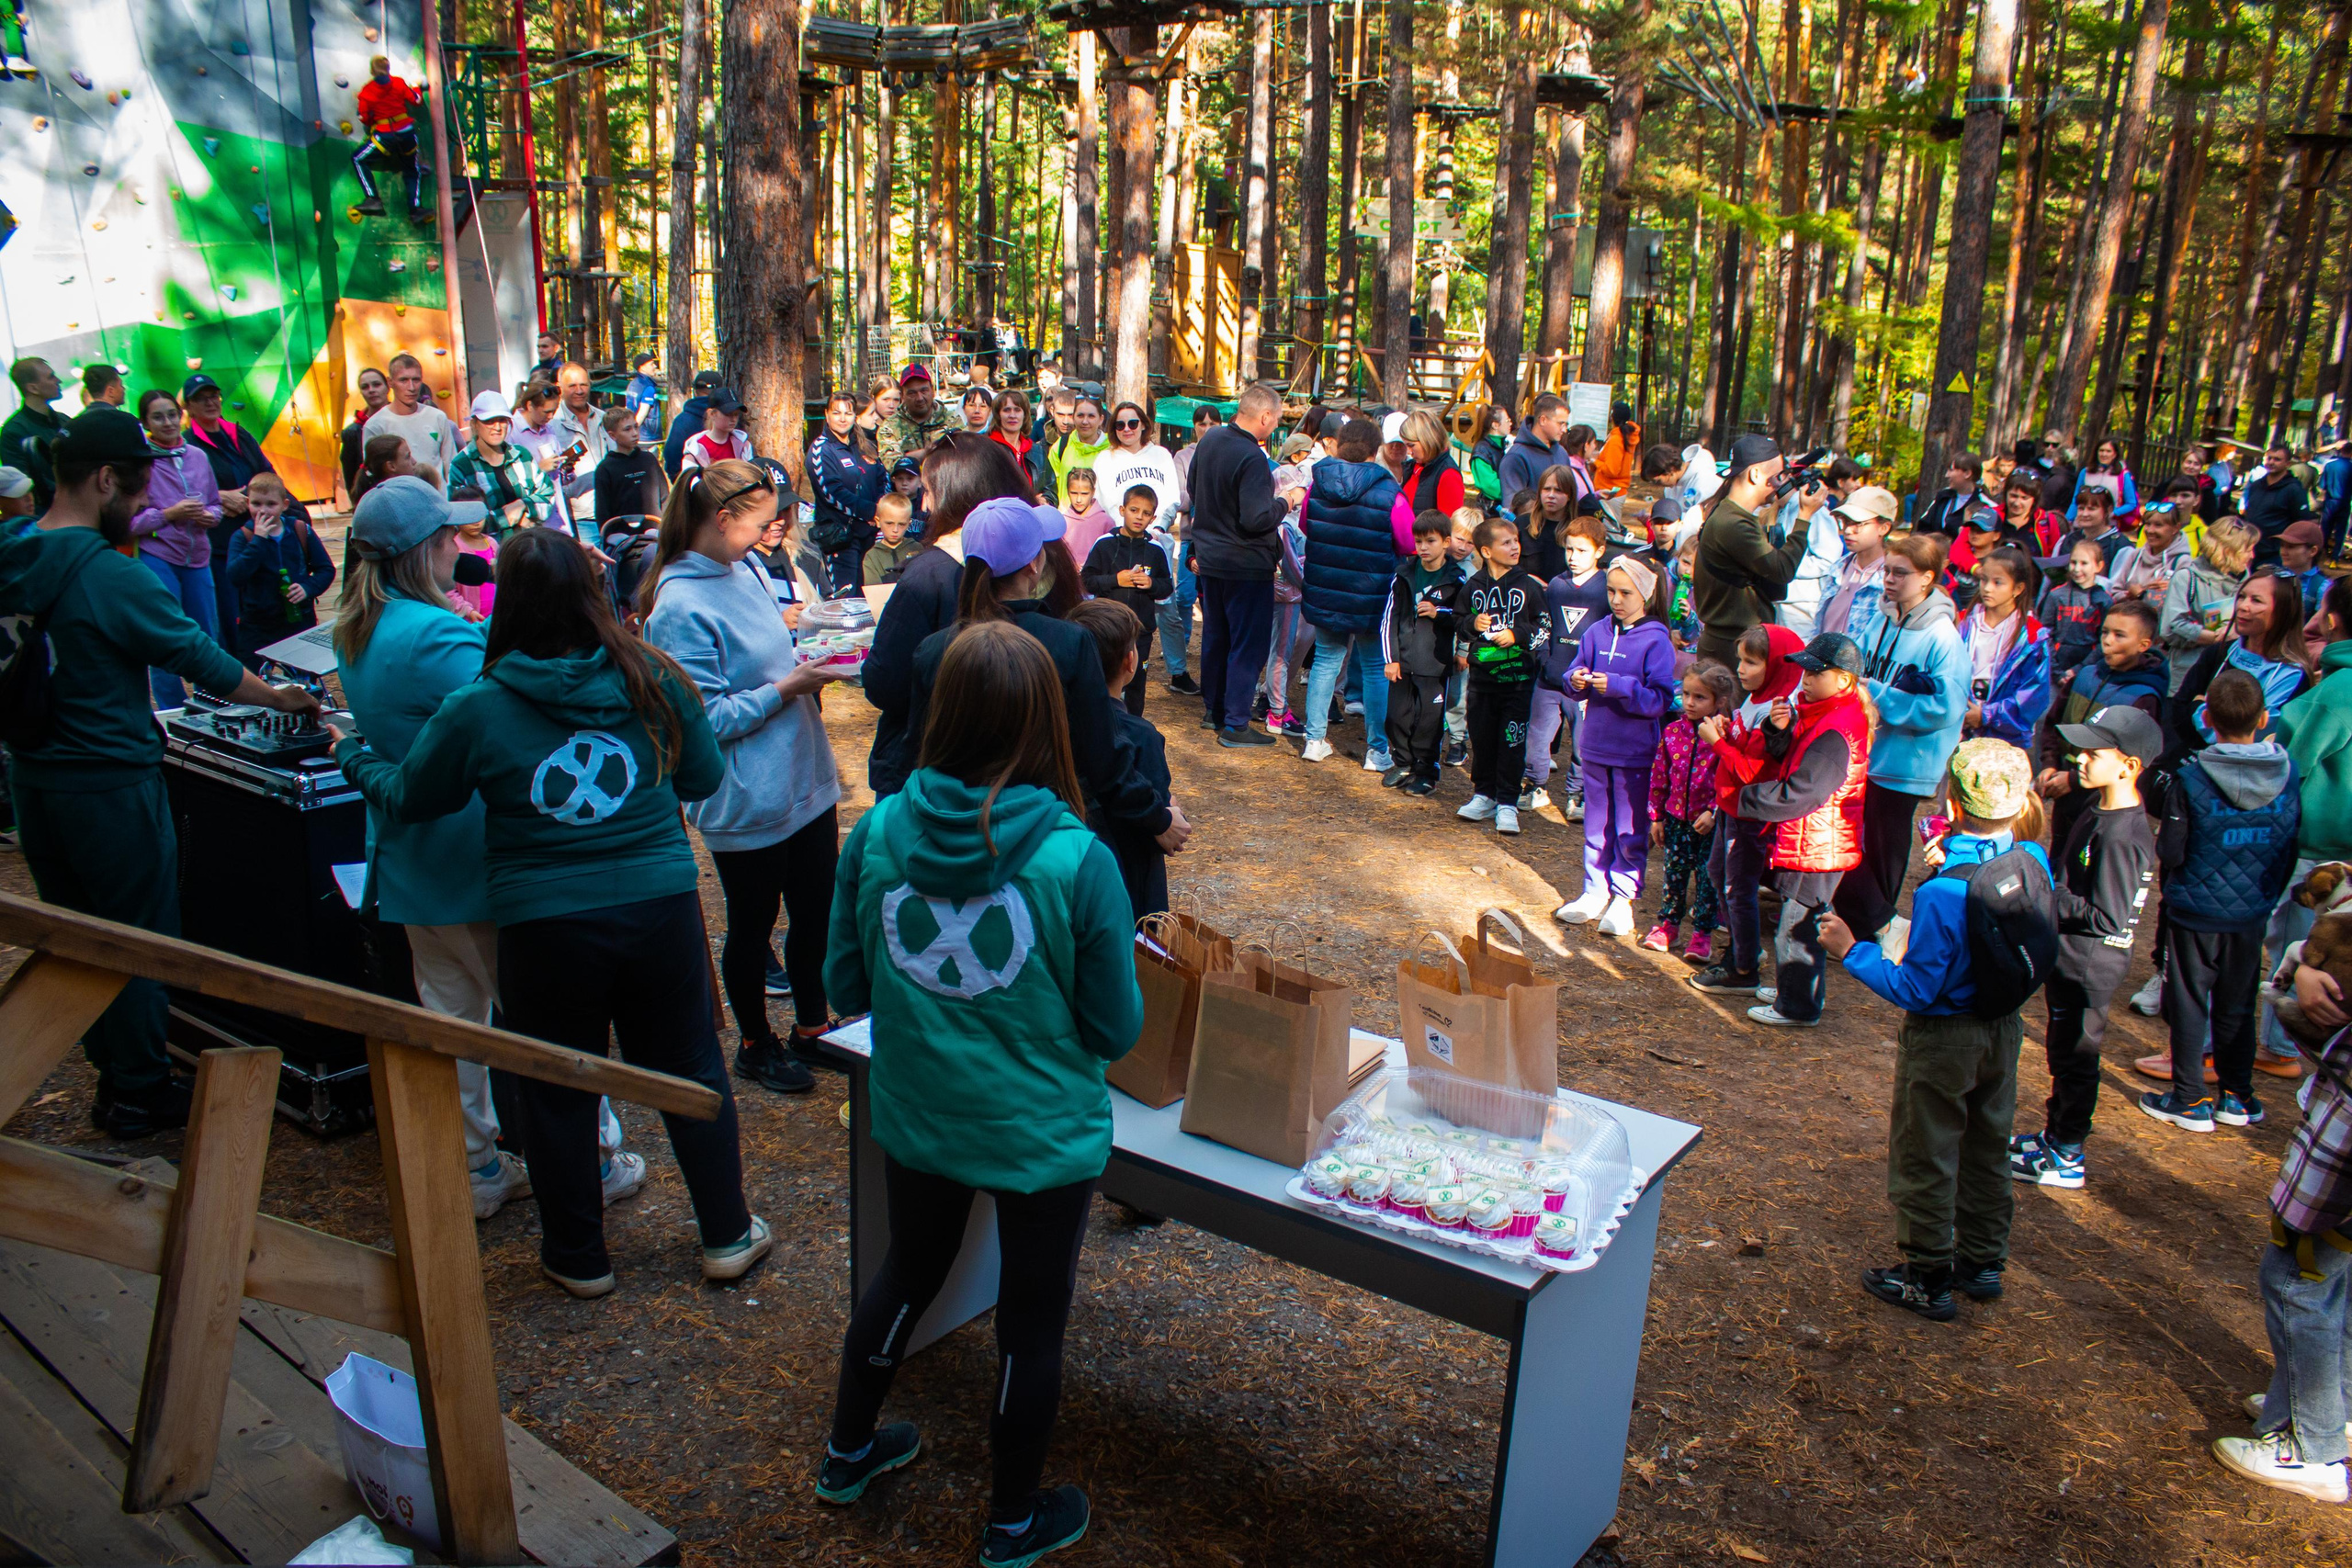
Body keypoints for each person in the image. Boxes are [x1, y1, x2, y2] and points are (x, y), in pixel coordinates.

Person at [331, 527, 770, 1297]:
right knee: (691, 1064)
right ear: (591, 595)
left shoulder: (480, 704)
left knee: (556, 1081)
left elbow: (411, 795)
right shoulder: (653, 677)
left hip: (542, 924)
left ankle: (578, 1255)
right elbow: (701, 770)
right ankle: (727, 1233)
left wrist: (353, 752)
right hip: (657, 907)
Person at [817, 620, 1142, 1565]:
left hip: (919, 1111)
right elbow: (1114, 1030)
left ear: (939, 712)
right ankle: (1009, 1521)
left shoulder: (876, 832)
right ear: (1048, 721)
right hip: (1042, 1131)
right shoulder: (1079, 859)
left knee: (907, 1274)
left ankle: (846, 1451)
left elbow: (844, 987)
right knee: (1031, 1318)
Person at [0, 406, 322, 1137]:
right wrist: (278, 695)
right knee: (137, 939)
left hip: (35, 780)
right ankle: (139, 1087)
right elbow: (199, 657)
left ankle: (113, 1071)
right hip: (107, 783)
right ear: (105, 478)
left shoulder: (14, 546)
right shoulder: (105, 575)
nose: (144, 505)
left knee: (73, 937)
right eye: (138, 488)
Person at [331, 475, 627, 1217]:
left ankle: (478, 1166)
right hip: (477, 859)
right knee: (541, 1018)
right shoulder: (436, 634)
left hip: (412, 860)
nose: (460, 546)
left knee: (454, 1024)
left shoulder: (362, 627)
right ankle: (596, 1156)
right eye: (450, 537)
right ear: (421, 548)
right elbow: (509, 711)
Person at [641, 457, 856, 1096]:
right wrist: (788, 687)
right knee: (754, 923)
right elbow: (700, 721)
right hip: (748, 797)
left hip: (802, 778)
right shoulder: (677, 605)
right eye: (765, 521)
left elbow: (775, 654)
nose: (777, 532)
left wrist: (814, 656)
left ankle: (813, 1027)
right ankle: (757, 1042)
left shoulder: (749, 566)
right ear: (723, 518)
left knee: (816, 910)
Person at [1821, 739, 2047, 1320]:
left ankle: (1927, 1275)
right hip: (2004, 1028)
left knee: (1926, 1150)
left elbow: (1917, 988)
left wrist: (1853, 953)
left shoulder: (1944, 893)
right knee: (1987, 1144)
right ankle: (1983, 1261)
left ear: (1951, 796)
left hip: (1945, 1038)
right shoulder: (2033, 860)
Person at [903, 497, 1186, 861]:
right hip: (1044, 836)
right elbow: (1101, 754)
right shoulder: (1068, 642)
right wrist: (1156, 817)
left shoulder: (932, 650)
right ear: (1036, 565)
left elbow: (916, 752)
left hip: (951, 834)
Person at [2003, 702, 2161, 1195]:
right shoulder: (2099, 811)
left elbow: (2107, 916)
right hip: (2071, 961)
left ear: (2130, 765)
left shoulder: (2122, 835)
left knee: (2076, 1057)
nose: (2080, 760)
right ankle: (2053, 1137)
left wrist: (2047, 894)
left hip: (2090, 966)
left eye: (2094, 752)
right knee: (2062, 1052)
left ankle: (2067, 1153)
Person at [2139, 668, 2301, 1135]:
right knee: (2237, 1001)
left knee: (2190, 1001)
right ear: (2266, 718)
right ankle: (2238, 1094)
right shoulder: (2288, 776)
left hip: (2194, 912)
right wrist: (2265, 897)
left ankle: (2189, 1098)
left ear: (2205, 716)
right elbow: (2290, 845)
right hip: (2250, 911)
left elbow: (2171, 850)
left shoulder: (2190, 779)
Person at [2214, 956, 2352, 1504]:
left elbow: (2323, 1034)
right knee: (2338, 1282)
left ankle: (2308, 1446)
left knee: (2297, 1279)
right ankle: (2329, 1410)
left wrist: (2303, 970)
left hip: (2342, 1147)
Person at [1739, 633, 1874, 1028]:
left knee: (1798, 929)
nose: (1806, 679)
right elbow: (1795, 760)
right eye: (1806, 670)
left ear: (1844, 681)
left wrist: (1746, 798)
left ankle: (1797, 1006)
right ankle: (1796, 989)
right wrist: (1780, 731)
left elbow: (1805, 791)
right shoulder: (1825, 715)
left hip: (1819, 844)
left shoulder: (1836, 729)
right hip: (1816, 840)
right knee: (1806, 920)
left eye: (1817, 672)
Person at [1838, 535, 1968, 945]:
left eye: (1900, 573)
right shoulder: (1882, 616)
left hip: (1908, 761)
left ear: (1927, 578)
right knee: (1856, 836)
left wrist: (1878, 695)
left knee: (1885, 845)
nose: (1889, 580)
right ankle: (1860, 922)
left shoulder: (1942, 637)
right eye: (1887, 571)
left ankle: (1881, 927)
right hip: (1870, 752)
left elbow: (1946, 707)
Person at [1553, 557, 1678, 936]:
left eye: (1626, 592)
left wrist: (1619, 687)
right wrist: (1575, 678)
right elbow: (1570, 676)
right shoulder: (1595, 632)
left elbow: (1660, 699)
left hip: (1635, 752)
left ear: (1646, 594)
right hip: (1594, 745)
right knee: (1595, 822)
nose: (1617, 600)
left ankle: (1623, 897)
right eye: (1611, 592)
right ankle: (1594, 890)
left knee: (1629, 826)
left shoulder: (1656, 640)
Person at [1690, 625, 1806, 997]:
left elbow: (1754, 772)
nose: (1741, 669)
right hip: (1730, 806)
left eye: (1752, 662)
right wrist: (1729, 732)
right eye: (1740, 659)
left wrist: (1717, 744)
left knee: (1738, 888)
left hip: (1749, 813)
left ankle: (1743, 968)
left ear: (1776, 666)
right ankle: (1744, 950)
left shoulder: (1777, 712)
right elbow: (1745, 750)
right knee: (1718, 873)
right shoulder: (1757, 700)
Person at [1190, 385, 1301, 745]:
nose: (1276, 425)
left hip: (1212, 560)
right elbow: (1256, 518)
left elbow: (1193, 488)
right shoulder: (1251, 456)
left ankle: (1215, 711)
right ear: (1265, 417)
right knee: (1246, 644)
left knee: (1216, 637)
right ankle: (1236, 724)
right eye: (1278, 419)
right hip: (1245, 564)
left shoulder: (1210, 441)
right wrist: (1286, 500)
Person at [1296, 415, 1402, 769]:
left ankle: (1314, 740)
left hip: (1326, 584)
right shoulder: (1390, 490)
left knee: (1326, 659)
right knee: (1374, 666)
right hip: (1372, 591)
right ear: (1375, 451)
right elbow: (1406, 540)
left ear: (1339, 446)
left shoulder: (1318, 482)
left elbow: (1304, 525)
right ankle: (1377, 750)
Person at [2038, 600, 2169, 858]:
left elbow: (2131, 761)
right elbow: (2055, 722)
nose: (2107, 641)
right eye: (2105, 632)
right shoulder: (2086, 675)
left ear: (2144, 645)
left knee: (2084, 860)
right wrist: (2050, 764)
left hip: (2099, 801)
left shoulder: (2143, 696)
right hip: (2064, 786)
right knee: (2059, 853)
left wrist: (2073, 780)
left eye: (2119, 635)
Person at [1069, 599, 1174, 917]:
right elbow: (1157, 825)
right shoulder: (1140, 735)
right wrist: (1170, 816)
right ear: (1131, 661)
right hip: (1130, 887)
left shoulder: (1055, 720)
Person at [127, 388, 224, 705]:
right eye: (158, 416)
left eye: (171, 414)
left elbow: (215, 504)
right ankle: (170, 711)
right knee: (163, 634)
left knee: (206, 634)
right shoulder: (139, 461)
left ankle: (210, 704)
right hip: (158, 555)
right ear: (145, 422)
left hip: (198, 555)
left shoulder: (197, 455)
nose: (167, 422)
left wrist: (210, 516)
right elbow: (128, 522)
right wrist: (169, 515)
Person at [1455, 517, 1547, 834]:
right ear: (1486, 550)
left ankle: (1507, 801)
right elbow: (1458, 621)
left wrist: (1518, 635)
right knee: (1481, 738)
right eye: (1506, 542)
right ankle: (1484, 794)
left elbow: (1544, 627)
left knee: (1511, 740)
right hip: (1481, 682)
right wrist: (1472, 624)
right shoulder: (1473, 586)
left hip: (1518, 682)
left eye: (1516, 541)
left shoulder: (1530, 587)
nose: (1515, 547)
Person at [1691, 434, 1815, 668]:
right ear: (1755, 474)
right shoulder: (1734, 523)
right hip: (1733, 648)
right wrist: (1805, 517)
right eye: (1777, 477)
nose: (1779, 484)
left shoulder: (1730, 515)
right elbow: (1782, 569)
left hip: (1731, 643)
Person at [1645, 661, 1735, 962]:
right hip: (1676, 819)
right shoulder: (1672, 731)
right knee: (1674, 873)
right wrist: (1656, 816)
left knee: (1708, 879)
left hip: (1709, 824)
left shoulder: (1726, 737)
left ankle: (1702, 933)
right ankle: (1668, 925)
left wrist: (1714, 812)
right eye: (1686, 695)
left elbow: (1731, 779)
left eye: (1700, 697)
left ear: (1719, 701)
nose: (1690, 703)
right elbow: (1660, 775)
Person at [1525, 513, 1611, 816]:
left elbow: (1609, 635)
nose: (1573, 557)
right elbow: (1544, 626)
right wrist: (1544, 660)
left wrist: (1598, 672)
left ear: (1600, 551)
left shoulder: (1606, 589)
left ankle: (1577, 795)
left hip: (1586, 685)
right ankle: (1535, 785)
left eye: (1582, 551)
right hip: (1549, 679)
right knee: (1536, 735)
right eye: (1569, 549)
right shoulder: (1557, 586)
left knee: (1583, 743)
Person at [1380, 511, 1465, 795]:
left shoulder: (1456, 580)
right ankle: (1403, 762)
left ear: (1446, 542)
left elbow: (1465, 618)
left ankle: (1426, 770)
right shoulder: (1403, 574)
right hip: (1402, 663)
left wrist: (1440, 613)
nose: (1424, 548)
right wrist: (1391, 658)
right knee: (1396, 716)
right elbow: (1389, 618)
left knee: (1429, 722)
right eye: (1419, 542)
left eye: (1431, 541)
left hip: (1435, 664)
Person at [1080, 484, 1173, 717]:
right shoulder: (1104, 544)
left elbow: (1167, 587)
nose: (1139, 517)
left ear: (1153, 517)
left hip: (1140, 632)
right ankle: (1100, 723)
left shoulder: (1155, 549)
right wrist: (1116, 580)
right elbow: (1087, 580)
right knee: (1103, 679)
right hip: (1107, 629)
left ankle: (1132, 727)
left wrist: (1152, 584)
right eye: (1134, 510)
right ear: (1122, 510)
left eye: (1145, 513)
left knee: (1135, 684)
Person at [224, 473, 333, 660]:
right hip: (257, 624)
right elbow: (235, 575)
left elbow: (326, 569)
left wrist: (308, 588)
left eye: (271, 504)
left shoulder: (300, 530)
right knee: (257, 680)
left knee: (301, 677)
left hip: (298, 619)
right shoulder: (243, 537)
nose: (263, 511)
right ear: (248, 503)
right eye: (256, 504)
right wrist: (258, 541)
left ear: (285, 505)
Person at [1958, 547, 2051, 747]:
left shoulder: (2031, 637)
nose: (1987, 588)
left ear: (2018, 588)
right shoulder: (1963, 622)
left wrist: (1985, 715)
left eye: (1998, 582)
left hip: (2005, 741)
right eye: (1984, 580)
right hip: (1958, 731)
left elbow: (2033, 695)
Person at [2161, 517, 2256, 691]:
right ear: (2228, 551)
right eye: (2248, 550)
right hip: (2188, 676)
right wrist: (2214, 637)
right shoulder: (2187, 578)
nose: (2252, 556)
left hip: (2228, 678)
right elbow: (2170, 628)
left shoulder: (2248, 582)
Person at [809, 391, 888, 594]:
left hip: (871, 534)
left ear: (855, 416)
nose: (843, 418)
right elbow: (832, 493)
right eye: (836, 413)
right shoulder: (821, 450)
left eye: (848, 413)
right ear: (827, 415)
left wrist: (882, 507)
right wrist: (872, 511)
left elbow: (882, 477)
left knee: (871, 595)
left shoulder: (864, 445)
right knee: (846, 599)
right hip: (841, 538)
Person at [448, 389, 556, 529]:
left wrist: (523, 505)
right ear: (475, 424)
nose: (497, 427)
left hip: (530, 545)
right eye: (489, 421)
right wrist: (508, 518)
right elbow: (462, 518)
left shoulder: (522, 455)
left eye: (502, 420)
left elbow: (548, 495)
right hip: (490, 548)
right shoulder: (461, 465)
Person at [352, 54, 429, 219]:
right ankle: (416, 209)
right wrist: (416, 86)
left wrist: (374, 115)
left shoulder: (367, 91)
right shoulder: (399, 83)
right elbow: (416, 100)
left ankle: (373, 198)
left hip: (385, 137)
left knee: (358, 159)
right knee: (412, 170)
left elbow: (363, 117)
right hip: (406, 134)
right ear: (388, 69)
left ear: (372, 71)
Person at [1817, 485, 1899, 639]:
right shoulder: (1838, 568)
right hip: (1823, 658)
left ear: (1884, 527)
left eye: (1858, 523)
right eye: (1846, 522)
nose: (1848, 530)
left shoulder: (1889, 578)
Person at [1089, 402, 1180, 538]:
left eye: (1133, 423)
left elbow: (1171, 499)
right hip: (1119, 538)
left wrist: (1158, 529)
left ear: (1143, 425)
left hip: (1157, 538)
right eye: (1120, 425)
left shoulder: (1162, 455)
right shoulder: (1104, 459)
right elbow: (1103, 504)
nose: (1126, 429)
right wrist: (1125, 531)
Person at [2039, 538, 2115, 687]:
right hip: (2056, 666)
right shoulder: (2056, 595)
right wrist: (2055, 671)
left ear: (2098, 566)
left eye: (2084, 563)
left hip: (2088, 667)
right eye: (2073, 563)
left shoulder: (2104, 600)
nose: (2077, 569)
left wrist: (2079, 669)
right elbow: (2045, 634)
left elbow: (2104, 640)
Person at [368, 353, 461, 474]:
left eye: (416, 380)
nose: (411, 387)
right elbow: (374, 474)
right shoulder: (375, 425)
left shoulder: (437, 417)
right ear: (390, 382)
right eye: (403, 380)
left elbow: (451, 466)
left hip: (438, 492)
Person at [4, 356, 67, 513]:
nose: (58, 380)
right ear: (33, 388)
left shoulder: (65, 420)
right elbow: (21, 488)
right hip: (46, 518)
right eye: (51, 377)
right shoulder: (13, 432)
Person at [1497, 394, 1573, 513]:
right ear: (1543, 420)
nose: (1564, 429)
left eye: (1566, 425)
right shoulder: (1516, 457)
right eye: (1560, 423)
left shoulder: (1562, 453)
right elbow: (1514, 508)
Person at [547, 363, 612, 501]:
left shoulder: (603, 418)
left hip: (610, 506)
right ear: (560, 388)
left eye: (584, 385)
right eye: (572, 386)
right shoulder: (552, 426)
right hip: (578, 514)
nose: (579, 391)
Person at [594, 405, 666, 527]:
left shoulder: (649, 460)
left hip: (655, 531)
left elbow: (665, 497)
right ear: (612, 435)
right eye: (627, 429)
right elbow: (603, 512)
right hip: (622, 536)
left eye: (636, 427)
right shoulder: (605, 469)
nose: (634, 433)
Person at [1394, 411, 1465, 529]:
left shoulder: (1448, 474)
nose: (1408, 452)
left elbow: (1447, 528)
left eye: (1411, 445)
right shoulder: (1415, 467)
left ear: (1428, 439)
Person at [2244, 444, 2312, 566]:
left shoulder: (2294, 490)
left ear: (2288, 464)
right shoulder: (2256, 485)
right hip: (2249, 549)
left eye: (2277, 459)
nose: (2271, 462)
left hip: (2274, 554)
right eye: (2269, 458)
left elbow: (2301, 522)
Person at [2111, 500, 2190, 604]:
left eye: (2158, 525)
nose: (2150, 530)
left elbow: (2183, 602)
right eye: (2147, 524)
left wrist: (2146, 594)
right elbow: (2114, 594)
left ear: (2175, 528)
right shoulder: (2135, 556)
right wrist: (2130, 594)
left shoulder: (2182, 562)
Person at [877, 365, 955, 469]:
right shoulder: (890, 427)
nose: (919, 398)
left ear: (932, 391)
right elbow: (892, 466)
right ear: (902, 395)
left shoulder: (951, 420)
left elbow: (964, 457)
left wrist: (908, 457)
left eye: (924, 391)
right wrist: (928, 453)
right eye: (912, 393)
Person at [1045, 395, 1114, 503]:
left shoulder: (1113, 448)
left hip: (1101, 517)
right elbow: (1049, 486)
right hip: (1067, 517)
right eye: (1080, 415)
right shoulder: (1061, 445)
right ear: (1074, 418)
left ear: (1101, 419)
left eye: (1091, 416)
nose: (1085, 421)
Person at [662, 369, 728, 478]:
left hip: (692, 481)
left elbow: (671, 455)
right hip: (725, 481)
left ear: (695, 391)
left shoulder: (682, 420)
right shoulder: (728, 416)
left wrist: (682, 480)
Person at [339, 366, 390, 498]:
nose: (371, 390)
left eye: (376, 385)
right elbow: (351, 476)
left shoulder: (403, 419)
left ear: (388, 386)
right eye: (365, 387)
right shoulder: (352, 432)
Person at [2066, 435, 2141, 526]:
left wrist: (2113, 514)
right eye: (2101, 450)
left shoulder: (2123, 475)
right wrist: (2068, 519)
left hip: (2107, 525)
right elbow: (2075, 499)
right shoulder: (2085, 472)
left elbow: (2131, 503)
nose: (2104, 454)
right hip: (2081, 524)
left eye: (2108, 451)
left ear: (2115, 454)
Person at [1917, 452, 1987, 539]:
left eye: (1951, 470)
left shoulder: (1984, 504)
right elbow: (1924, 527)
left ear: (1967, 474)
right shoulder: (1943, 496)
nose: (1947, 475)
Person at [679, 391, 753, 472]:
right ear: (711, 414)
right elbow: (690, 482)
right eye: (728, 414)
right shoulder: (695, 450)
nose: (733, 419)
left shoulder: (743, 446)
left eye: (736, 414)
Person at [1055, 467, 1114, 562]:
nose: (1078, 500)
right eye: (1074, 493)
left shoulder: (1106, 522)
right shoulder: (1061, 522)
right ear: (1067, 491)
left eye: (1084, 494)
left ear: (1093, 492)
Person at [862, 493, 922, 586]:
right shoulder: (872, 556)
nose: (895, 530)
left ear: (909, 524)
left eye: (901, 524)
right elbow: (873, 592)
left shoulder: (917, 549)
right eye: (889, 523)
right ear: (878, 522)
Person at [2278, 518, 2329, 620]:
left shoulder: (2322, 587)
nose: (2283, 552)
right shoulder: (2275, 578)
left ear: (2313, 551)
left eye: (2291, 547)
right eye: (2282, 546)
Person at [1468, 404, 1513, 506]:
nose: (1511, 423)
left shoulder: (1504, 446)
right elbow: (1489, 485)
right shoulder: (1481, 451)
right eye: (1507, 421)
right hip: (1491, 511)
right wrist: (1514, 492)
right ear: (1495, 425)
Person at [1592, 402, 1640, 493]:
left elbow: (1611, 470)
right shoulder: (1623, 436)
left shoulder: (1616, 440)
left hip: (1609, 491)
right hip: (1613, 490)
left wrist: (1595, 461)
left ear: (1612, 416)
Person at [989, 389, 1034, 469]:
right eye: (1006, 410)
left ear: (1025, 415)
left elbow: (1048, 481)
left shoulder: (1037, 452)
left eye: (1017, 410)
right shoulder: (987, 449)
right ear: (998, 415)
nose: (1012, 415)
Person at [625, 351, 664, 440]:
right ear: (641, 367)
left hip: (634, 434)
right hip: (647, 437)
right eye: (651, 364)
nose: (655, 366)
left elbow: (628, 408)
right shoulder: (648, 387)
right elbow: (642, 413)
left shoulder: (632, 384)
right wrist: (633, 432)